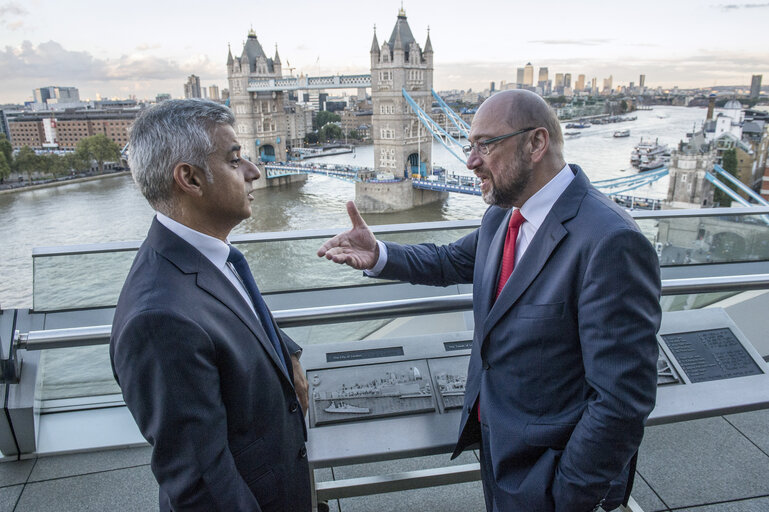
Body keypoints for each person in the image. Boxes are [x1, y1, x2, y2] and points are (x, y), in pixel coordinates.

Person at [318, 90, 661, 512]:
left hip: (553, 470)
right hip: (499, 446)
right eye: (469, 146)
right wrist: (380, 255)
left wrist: (566, 494)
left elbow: (623, 399)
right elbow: (448, 260)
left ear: (536, 143)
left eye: (485, 145)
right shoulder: (503, 215)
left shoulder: (610, 241)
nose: (470, 161)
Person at [110, 99, 311, 511]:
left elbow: (239, 314)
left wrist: (286, 353)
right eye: (235, 160)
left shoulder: (208, 254)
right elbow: (203, 486)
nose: (255, 171)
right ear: (190, 179)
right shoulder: (158, 318)